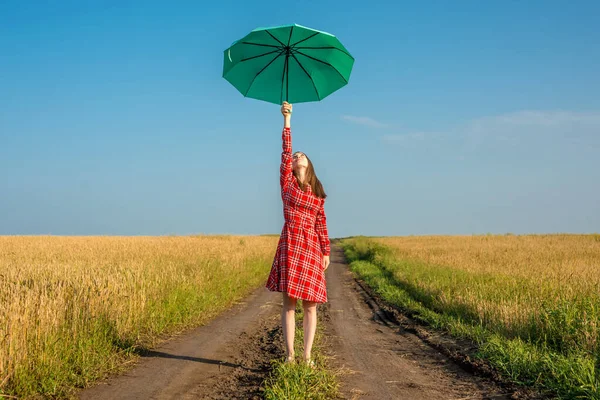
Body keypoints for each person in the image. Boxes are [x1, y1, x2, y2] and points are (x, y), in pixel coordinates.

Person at [266, 101, 331, 367]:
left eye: (301, 155)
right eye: (295, 156)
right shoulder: (287, 184)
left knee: (311, 305)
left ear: (309, 163)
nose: (297, 156)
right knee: (290, 304)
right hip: (292, 242)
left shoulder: (317, 192)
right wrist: (287, 120)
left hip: (311, 246)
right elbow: (284, 153)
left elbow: (321, 222)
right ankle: (291, 355)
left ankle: (307, 356)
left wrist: (326, 250)